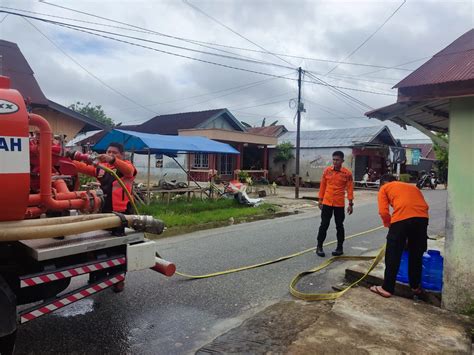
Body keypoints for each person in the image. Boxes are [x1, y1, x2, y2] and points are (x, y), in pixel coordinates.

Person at [370, 174, 429, 298]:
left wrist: (389, 225)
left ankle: (387, 288)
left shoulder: (384, 188)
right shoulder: (413, 187)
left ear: (382, 183)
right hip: (422, 218)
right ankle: (415, 286)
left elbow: (383, 211)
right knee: (416, 254)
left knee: (393, 253)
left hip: (401, 218)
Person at [71, 142, 137, 220]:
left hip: (123, 210)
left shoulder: (127, 166)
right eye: (109, 152)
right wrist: (69, 161)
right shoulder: (102, 167)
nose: (111, 154)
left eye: (114, 152)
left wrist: (112, 160)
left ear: (122, 155)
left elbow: (129, 171)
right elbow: (83, 167)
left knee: (121, 231)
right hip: (104, 206)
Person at [316, 151, 354, 257]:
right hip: (327, 202)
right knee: (324, 225)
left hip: (339, 204)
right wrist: (320, 200)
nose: (335, 162)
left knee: (339, 226)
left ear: (342, 161)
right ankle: (319, 247)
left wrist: (350, 204)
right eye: (334, 159)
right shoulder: (327, 171)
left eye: (337, 160)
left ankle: (339, 247)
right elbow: (322, 186)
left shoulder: (347, 174)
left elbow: (350, 189)